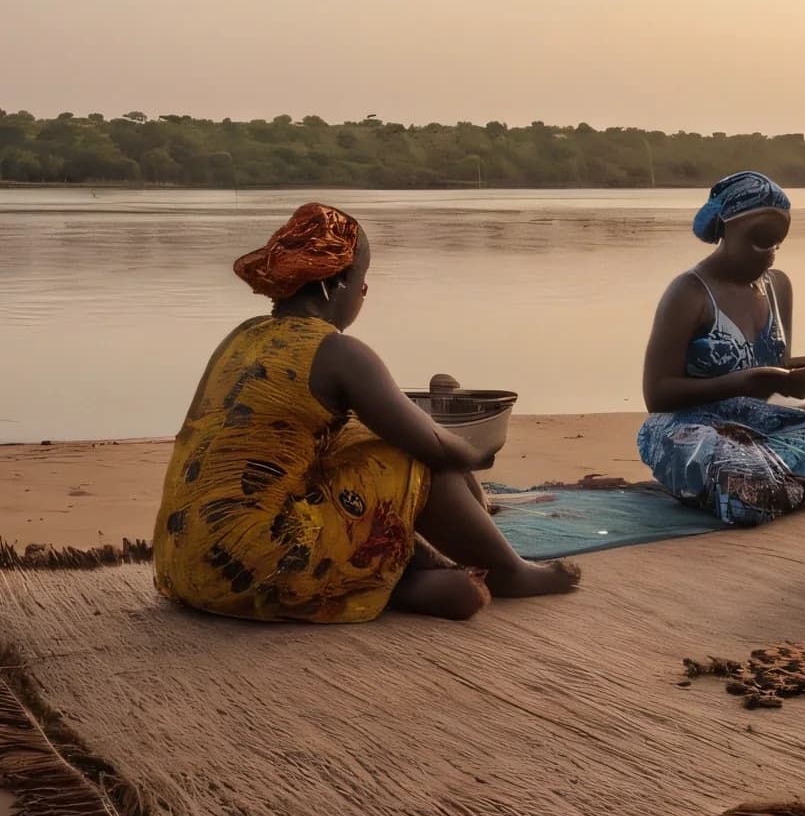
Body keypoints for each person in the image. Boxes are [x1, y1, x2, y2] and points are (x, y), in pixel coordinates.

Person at [152, 202, 581, 623]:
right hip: (263, 564)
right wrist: (473, 451)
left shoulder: (241, 337)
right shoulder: (339, 352)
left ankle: (407, 580)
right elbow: (432, 446)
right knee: (419, 455)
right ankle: (510, 573)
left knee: (356, 439)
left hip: (186, 563)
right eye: (362, 279)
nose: (364, 291)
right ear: (334, 284)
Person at [637, 172, 805, 525]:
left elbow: (779, 371)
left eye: (778, 243)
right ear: (726, 230)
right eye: (759, 241)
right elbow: (657, 396)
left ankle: (777, 481)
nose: (771, 255)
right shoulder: (689, 292)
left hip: (756, 425)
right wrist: (752, 381)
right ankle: (785, 481)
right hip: (693, 427)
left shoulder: (778, 286)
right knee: (736, 472)